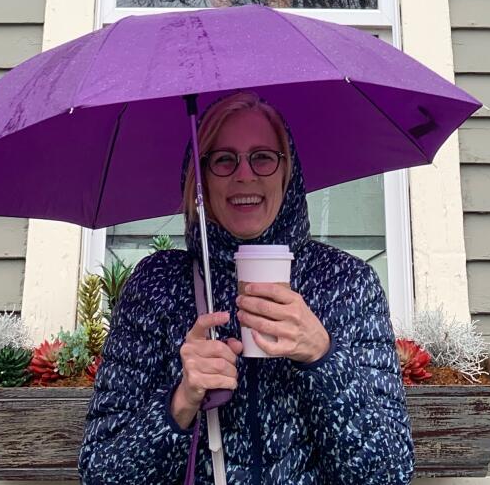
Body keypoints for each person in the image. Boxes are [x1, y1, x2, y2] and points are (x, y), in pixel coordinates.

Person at [79, 91, 415, 484]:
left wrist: (323, 358)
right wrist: (182, 401)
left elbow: (389, 473)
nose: (244, 175)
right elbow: (102, 473)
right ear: (199, 178)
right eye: (223, 159)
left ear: (287, 171)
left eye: (262, 157)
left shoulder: (347, 284)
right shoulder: (155, 288)